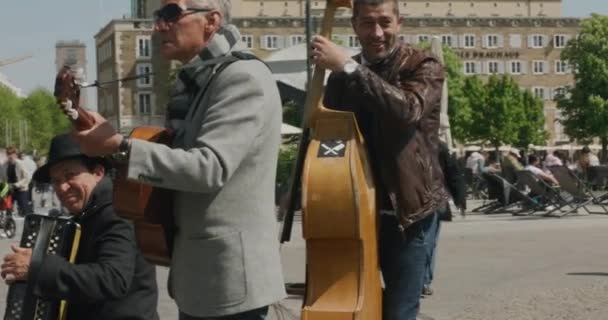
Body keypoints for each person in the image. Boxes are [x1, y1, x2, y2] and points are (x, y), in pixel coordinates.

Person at [65, 0, 286, 319]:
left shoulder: (241, 77)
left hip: (230, 281)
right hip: (204, 279)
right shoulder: (203, 79)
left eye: (171, 14)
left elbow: (209, 168)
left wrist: (121, 146)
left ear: (211, 21)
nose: (159, 26)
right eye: (158, 17)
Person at [311, 0, 449, 318]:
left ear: (399, 23)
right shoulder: (341, 76)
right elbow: (330, 138)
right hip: (352, 210)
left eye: (384, 22)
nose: (376, 32)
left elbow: (406, 111)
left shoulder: (423, 64)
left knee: (399, 312)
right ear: (354, 25)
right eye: (367, 23)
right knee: (356, 305)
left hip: (408, 213)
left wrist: (349, 67)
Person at [0, 134, 159, 320]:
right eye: (56, 180)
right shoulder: (88, 212)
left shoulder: (117, 214)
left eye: (70, 176)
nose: (62, 187)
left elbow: (113, 279)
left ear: (98, 173)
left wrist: (37, 267)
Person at [422, 141, 466, 296]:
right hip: (434, 198)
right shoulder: (437, 144)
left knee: (426, 242)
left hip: (425, 199)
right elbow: (452, 172)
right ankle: (423, 281)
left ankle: (422, 280)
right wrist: (459, 197)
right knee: (429, 242)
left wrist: (459, 196)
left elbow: (452, 172)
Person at [5, 146, 32, 216]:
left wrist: (17, 184)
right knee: (8, 209)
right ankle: (9, 224)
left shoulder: (20, 163)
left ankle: (28, 224)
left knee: (25, 211)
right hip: (10, 189)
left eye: (12, 154)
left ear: (15, 154)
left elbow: (27, 177)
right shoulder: (6, 164)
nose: (10, 156)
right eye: (8, 154)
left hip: (21, 190)